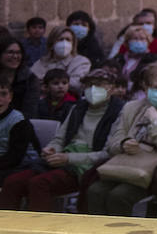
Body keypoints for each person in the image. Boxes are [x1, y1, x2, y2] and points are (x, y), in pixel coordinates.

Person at [0, 68, 125, 211]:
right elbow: (60, 138)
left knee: (40, 184)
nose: (93, 89)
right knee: (12, 182)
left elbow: (107, 153)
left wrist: (68, 158)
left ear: (112, 88)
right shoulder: (77, 108)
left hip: (87, 167)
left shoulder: (119, 113)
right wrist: (52, 149)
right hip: (62, 160)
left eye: (99, 85)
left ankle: (40, 229)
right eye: (89, 85)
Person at [85, 62, 157, 216]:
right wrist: (123, 144)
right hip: (124, 164)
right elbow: (113, 140)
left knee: (119, 196)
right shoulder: (131, 107)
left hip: (153, 171)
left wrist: (155, 120)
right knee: (95, 191)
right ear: (145, 87)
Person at [0, 78, 41, 185]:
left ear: (10, 97)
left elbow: (14, 158)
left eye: (3, 94)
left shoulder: (19, 121)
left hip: (24, 165)